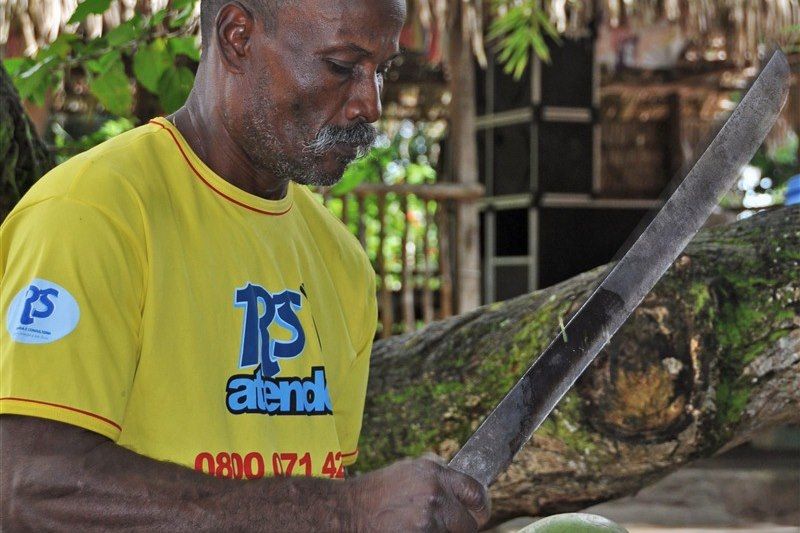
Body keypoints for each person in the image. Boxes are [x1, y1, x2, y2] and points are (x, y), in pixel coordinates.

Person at [0, 0, 490, 530]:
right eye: (343, 67)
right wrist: (342, 512)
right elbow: (24, 488)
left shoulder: (341, 264)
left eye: (382, 70)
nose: (370, 104)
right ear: (238, 37)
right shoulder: (93, 214)